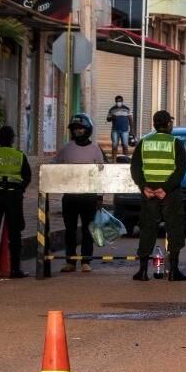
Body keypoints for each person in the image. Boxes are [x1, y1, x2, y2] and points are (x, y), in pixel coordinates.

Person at [130, 110, 186, 282]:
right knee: (175, 229)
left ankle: (142, 271)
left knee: (147, 229)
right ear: (168, 124)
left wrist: (144, 187)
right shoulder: (175, 143)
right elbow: (180, 169)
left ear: (154, 125)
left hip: (149, 194)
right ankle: (174, 271)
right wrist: (166, 188)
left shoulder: (144, 143)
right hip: (170, 194)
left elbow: (135, 168)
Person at [54, 113, 106, 272]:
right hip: (70, 196)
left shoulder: (95, 150)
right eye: (75, 129)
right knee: (69, 230)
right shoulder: (66, 148)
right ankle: (70, 261)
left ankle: (86, 261)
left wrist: (99, 196)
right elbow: (53, 166)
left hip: (89, 197)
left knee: (87, 229)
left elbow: (101, 174)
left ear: (88, 130)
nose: (78, 132)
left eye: (81, 129)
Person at [0, 125, 32, 279]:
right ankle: (15, 269)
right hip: (13, 197)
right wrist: (20, 190)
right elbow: (27, 176)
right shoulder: (19, 155)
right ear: (12, 139)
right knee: (15, 233)